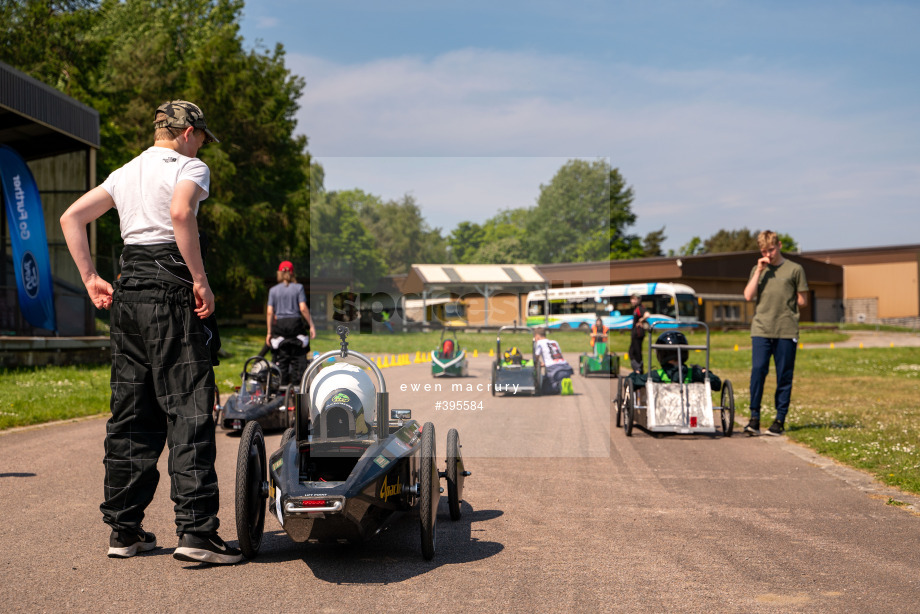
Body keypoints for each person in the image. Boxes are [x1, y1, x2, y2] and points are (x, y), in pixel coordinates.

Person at [60, 100, 242, 564]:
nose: (203, 146)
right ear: (188, 133)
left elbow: (71, 218)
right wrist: (199, 281)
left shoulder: (124, 172)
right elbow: (182, 214)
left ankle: (125, 531)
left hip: (128, 294)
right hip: (171, 293)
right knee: (188, 409)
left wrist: (89, 278)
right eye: (202, 137)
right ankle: (197, 533)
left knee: (132, 414)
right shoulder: (190, 167)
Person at [742, 230, 809, 436]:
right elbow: (748, 296)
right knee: (758, 371)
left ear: (779, 245)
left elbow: (803, 300)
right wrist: (759, 272)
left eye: (771, 249)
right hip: (761, 328)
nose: (768, 254)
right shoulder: (758, 269)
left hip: (786, 330)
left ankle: (779, 420)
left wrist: (787, 305)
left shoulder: (795, 269)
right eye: (764, 251)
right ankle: (754, 419)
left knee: (784, 375)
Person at [266, 260, 316, 386]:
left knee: (282, 355)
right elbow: (303, 308)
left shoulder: (273, 290)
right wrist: (311, 325)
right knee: (298, 353)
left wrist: (269, 332)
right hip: (295, 324)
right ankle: (298, 383)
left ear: (279, 273)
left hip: (281, 326)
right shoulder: (298, 288)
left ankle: (281, 386)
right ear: (293, 273)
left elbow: (269, 312)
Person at [628, 331, 721, 391]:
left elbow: (630, 383)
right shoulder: (694, 373)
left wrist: (636, 373)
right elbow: (717, 384)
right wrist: (705, 372)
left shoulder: (656, 375)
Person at [533, 327, 574, 395]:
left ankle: (559, 386)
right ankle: (565, 381)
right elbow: (554, 357)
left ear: (537, 337)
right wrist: (545, 363)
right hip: (566, 367)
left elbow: (536, 357)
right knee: (557, 378)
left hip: (555, 370)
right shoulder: (554, 342)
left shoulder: (540, 343)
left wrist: (537, 363)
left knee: (544, 388)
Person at [628, 293, 650, 373]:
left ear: (638, 300)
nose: (632, 301)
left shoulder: (640, 308)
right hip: (635, 334)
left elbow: (647, 314)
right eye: (632, 299)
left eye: (634, 299)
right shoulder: (636, 308)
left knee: (636, 353)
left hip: (638, 334)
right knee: (632, 352)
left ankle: (638, 370)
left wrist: (641, 320)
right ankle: (638, 369)